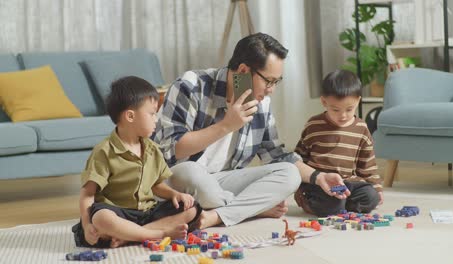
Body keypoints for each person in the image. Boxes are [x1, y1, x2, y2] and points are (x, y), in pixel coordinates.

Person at [155, 33, 345, 229]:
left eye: (276, 82)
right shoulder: (192, 84)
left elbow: (277, 155)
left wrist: (318, 176)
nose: (271, 89)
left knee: (289, 174)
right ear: (244, 70)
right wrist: (226, 125)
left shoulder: (262, 104)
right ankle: (250, 207)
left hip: (221, 182)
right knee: (192, 173)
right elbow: (172, 148)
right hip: (178, 177)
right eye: (269, 81)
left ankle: (215, 215)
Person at [72, 76, 202, 248]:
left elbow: (156, 186)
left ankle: (128, 236)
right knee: (101, 219)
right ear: (130, 116)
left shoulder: (152, 149)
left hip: (147, 213)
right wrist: (88, 225)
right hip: (117, 213)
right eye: (152, 114)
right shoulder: (104, 152)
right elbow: (88, 194)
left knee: (192, 209)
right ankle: (157, 233)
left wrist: (174, 195)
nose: (156, 119)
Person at [294, 69, 383, 217]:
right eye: (335, 110)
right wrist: (299, 187)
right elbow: (299, 157)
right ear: (324, 102)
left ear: (358, 101)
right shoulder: (313, 125)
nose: (343, 116)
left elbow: (367, 164)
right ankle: (310, 201)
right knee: (330, 204)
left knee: (371, 196)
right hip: (320, 184)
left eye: (349, 109)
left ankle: (342, 204)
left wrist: (377, 188)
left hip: (349, 183)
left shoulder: (361, 128)